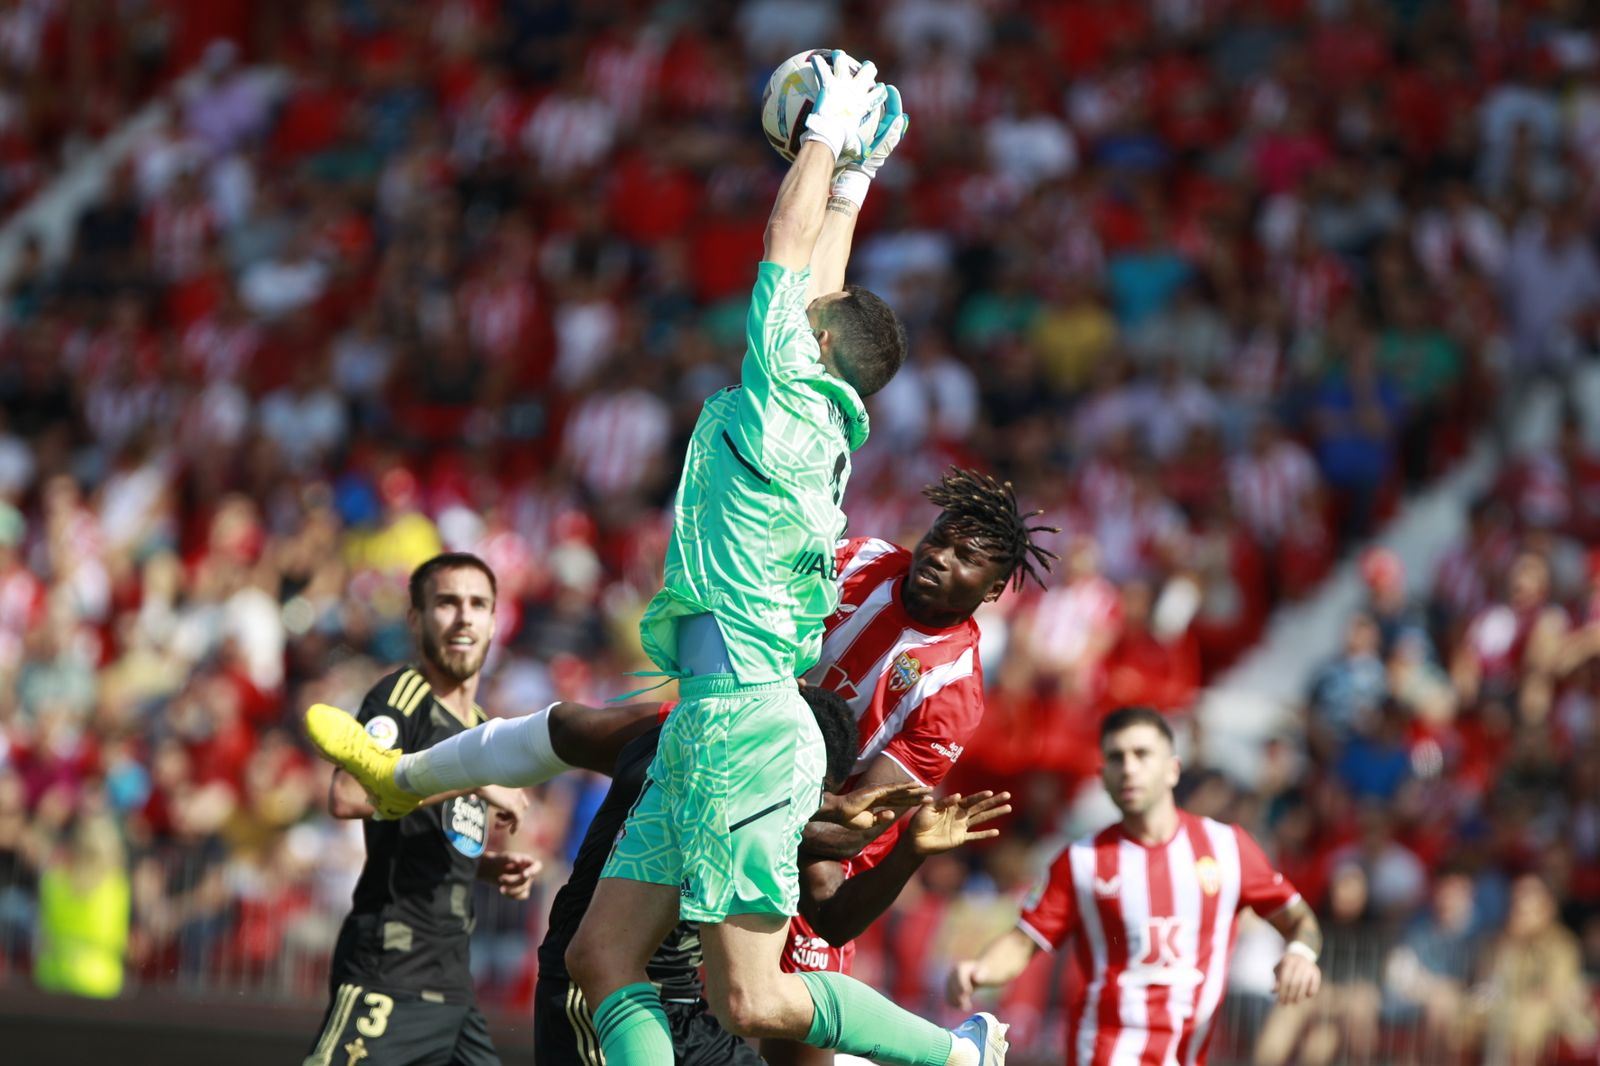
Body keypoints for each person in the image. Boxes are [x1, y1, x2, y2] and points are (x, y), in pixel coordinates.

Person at [532, 685, 1009, 1066]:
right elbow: (562, 725)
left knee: (745, 1001)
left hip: (687, 1010)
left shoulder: (762, 805)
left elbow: (831, 915)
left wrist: (906, 851)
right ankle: (953, 1053)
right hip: (598, 1003)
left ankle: (954, 1052)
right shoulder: (671, 753)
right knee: (742, 999)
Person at [766, 468, 1056, 1066]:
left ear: (994, 589)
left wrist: (760, 812)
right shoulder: (862, 561)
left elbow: (856, 826)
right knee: (606, 734)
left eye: (966, 558)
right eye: (940, 539)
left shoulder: (953, 690)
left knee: (787, 1037)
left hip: (814, 838)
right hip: (750, 768)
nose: (941, 557)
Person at [946, 707, 1323, 1066]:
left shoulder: (1228, 847)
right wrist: (979, 970)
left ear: (1173, 769)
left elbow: (1298, 918)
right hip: (1106, 1051)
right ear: (1104, 775)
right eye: (1116, 757)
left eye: (1142, 754)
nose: (1128, 768)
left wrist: (1301, 953)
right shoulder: (1081, 859)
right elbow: (1024, 940)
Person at [302, 553, 540, 1066]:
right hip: (391, 969)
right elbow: (346, 795)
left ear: (495, 621)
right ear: (415, 618)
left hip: (454, 985)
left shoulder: (480, 725)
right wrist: (473, 778)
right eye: (447, 602)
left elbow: (431, 832)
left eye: (478, 604)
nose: (464, 617)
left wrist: (487, 868)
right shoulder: (402, 697)